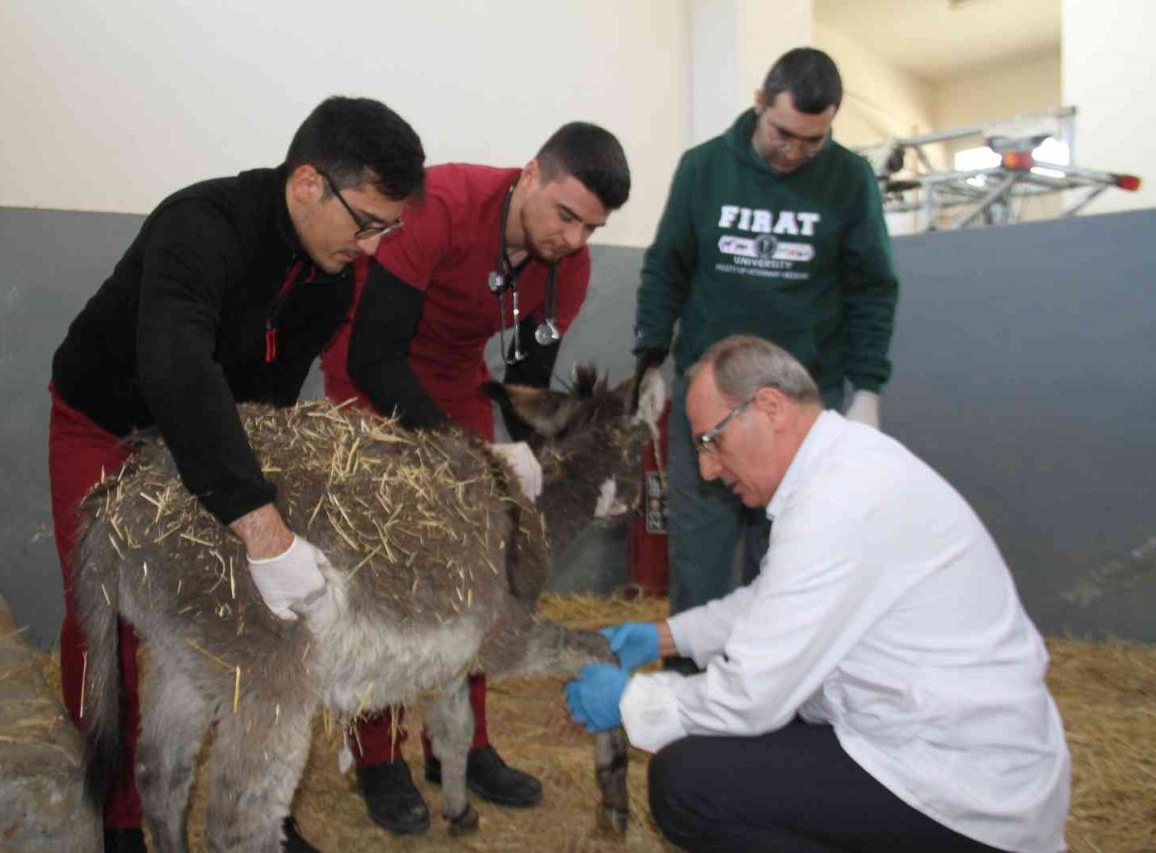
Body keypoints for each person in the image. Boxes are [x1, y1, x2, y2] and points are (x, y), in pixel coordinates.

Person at [47, 96, 425, 853]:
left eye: (389, 228)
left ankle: (260, 811)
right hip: (109, 426)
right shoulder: (200, 223)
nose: (375, 247)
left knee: (252, 619)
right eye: (368, 222)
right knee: (104, 616)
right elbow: (177, 368)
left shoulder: (331, 276)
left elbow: (264, 406)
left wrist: (273, 517)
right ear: (309, 183)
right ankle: (120, 816)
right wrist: (260, 526)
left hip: (211, 440)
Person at [564, 335, 1071, 852]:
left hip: (957, 785)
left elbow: (750, 698)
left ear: (769, 407)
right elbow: (776, 603)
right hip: (938, 747)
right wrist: (664, 637)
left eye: (710, 441)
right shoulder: (844, 467)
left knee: (689, 784)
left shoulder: (837, 502)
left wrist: (630, 700)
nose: (708, 469)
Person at [321, 121, 630, 834]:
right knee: (384, 571)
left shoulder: (567, 267)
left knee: (483, 567)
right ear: (528, 174)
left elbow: (526, 382)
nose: (575, 238)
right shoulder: (446, 203)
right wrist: (467, 454)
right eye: (566, 214)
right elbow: (375, 351)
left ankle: (462, 744)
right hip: (371, 372)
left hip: (458, 378)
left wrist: (536, 462)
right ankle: (376, 755)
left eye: (593, 226)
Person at [632, 47, 900, 628]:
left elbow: (872, 287)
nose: (795, 151)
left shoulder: (849, 180)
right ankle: (691, 702)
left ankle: (775, 701)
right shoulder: (704, 168)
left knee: (789, 562)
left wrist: (868, 388)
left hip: (800, 409)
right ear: (759, 102)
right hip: (710, 404)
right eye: (784, 133)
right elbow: (666, 267)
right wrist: (651, 358)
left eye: (814, 139)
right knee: (699, 557)